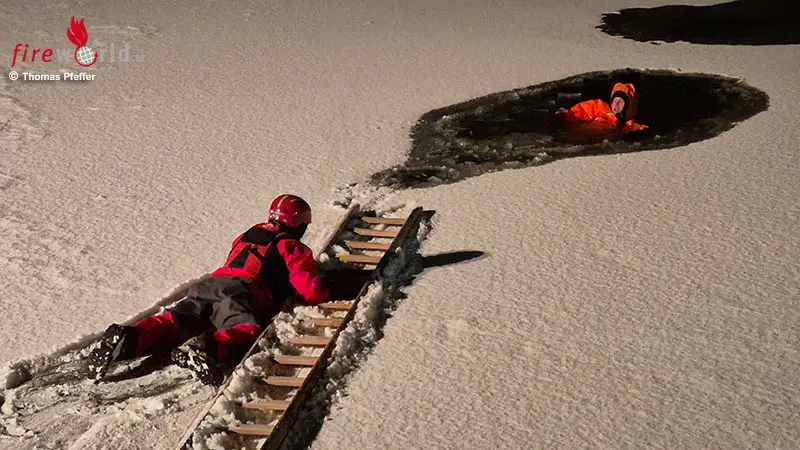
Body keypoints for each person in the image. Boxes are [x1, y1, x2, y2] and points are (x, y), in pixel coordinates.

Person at [87, 194, 331, 385]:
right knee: (243, 328)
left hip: (211, 284)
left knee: (176, 319)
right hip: (243, 292)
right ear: (298, 224)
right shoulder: (291, 246)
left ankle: (128, 338)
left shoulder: (249, 233)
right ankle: (204, 350)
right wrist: (327, 292)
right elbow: (309, 289)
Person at [556, 82, 649, 140]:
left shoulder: (630, 126)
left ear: (629, 107)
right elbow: (581, 111)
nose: (616, 106)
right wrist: (567, 114)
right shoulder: (599, 107)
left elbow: (639, 131)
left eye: (621, 102)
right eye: (615, 101)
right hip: (576, 136)